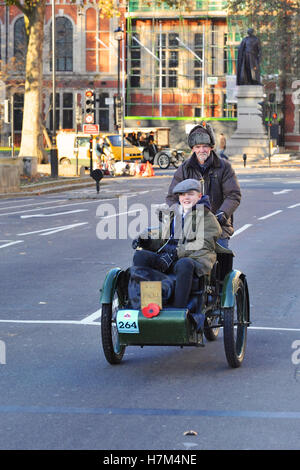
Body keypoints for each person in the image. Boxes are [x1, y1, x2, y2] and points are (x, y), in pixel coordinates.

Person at [132, 178, 222, 310]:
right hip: (169, 258)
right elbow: (163, 239)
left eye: (190, 194)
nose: (186, 197)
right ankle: (149, 304)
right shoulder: (175, 214)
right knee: (141, 256)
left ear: (199, 196)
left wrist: (175, 253)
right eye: (182, 194)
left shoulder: (207, 217)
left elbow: (203, 244)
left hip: (194, 259)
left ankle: (178, 310)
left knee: (184, 264)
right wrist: (146, 241)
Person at [166, 122, 241, 248]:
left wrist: (221, 215)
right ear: (193, 148)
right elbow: (172, 197)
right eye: (198, 146)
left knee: (220, 263)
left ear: (211, 147)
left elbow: (233, 195)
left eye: (205, 146)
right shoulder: (184, 169)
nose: (202, 150)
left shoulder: (224, 167)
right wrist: (179, 216)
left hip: (219, 229)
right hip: (190, 229)